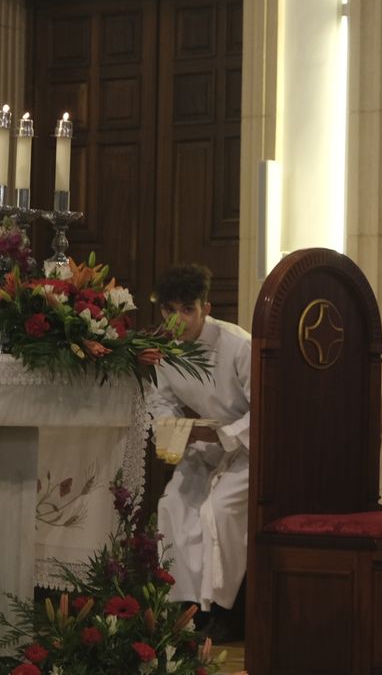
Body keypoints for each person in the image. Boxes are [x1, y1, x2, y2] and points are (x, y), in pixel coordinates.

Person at [145, 263, 252, 641]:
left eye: (187, 309)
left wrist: (223, 436)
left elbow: (267, 409)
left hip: (248, 452)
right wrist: (178, 432)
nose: (178, 320)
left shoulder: (238, 345)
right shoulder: (166, 352)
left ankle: (225, 609)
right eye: (169, 310)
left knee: (219, 511)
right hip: (204, 446)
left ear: (206, 308)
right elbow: (161, 402)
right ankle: (189, 609)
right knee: (173, 504)